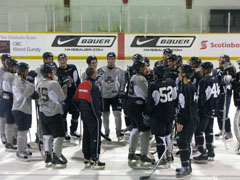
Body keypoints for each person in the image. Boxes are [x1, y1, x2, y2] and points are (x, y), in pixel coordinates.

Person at [37, 63, 68, 167]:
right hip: (54, 113)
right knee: (59, 136)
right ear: (49, 73)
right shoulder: (54, 83)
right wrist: (64, 86)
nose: (54, 72)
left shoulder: (40, 83)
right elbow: (62, 97)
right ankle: (56, 156)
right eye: (52, 71)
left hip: (43, 112)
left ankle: (47, 155)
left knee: (47, 135)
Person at [73, 66, 105, 167]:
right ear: (94, 74)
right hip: (93, 115)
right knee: (95, 136)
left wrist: (80, 109)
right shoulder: (93, 87)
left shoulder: (82, 84)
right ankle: (95, 157)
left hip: (84, 114)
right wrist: (98, 116)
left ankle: (86, 156)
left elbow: (74, 99)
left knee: (86, 135)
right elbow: (94, 103)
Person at [146, 64, 177, 165]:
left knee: (160, 136)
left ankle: (162, 157)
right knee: (168, 135)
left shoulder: (153, 85)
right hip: (170, 113)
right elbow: (175, 97)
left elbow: (152, 102)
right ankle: (169, 154)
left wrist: (147, 113)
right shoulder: (171, 82)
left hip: (158, 115)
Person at [127, 59, 154, 165]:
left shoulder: (133, 77)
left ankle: (131, 152)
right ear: (139, 69)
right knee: (145, 130)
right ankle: (143, 155)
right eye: (144, 68)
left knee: (135, 128)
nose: (146, 69)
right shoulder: (141, 79)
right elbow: (148, 93)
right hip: (138, 106)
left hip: (131, 105)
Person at [193, 62, 219, 163]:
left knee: (199, 131)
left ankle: (202, 153)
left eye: (202, 68)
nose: (200, 70)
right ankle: (210, 151)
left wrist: (198, 107)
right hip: (213, 108)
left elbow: (203, 96)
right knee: (209, 130)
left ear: (206, 70)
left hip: (205, 109)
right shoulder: (215, 79)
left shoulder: (204, 80)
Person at [176, 64, 199, 178]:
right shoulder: (189, 86)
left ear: (184, 74)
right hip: (192, 118)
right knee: (186, 142)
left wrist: (181, 122)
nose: (178, 74)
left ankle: (185, 167)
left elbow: (187, 108)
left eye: (180, 72)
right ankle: (187, 166)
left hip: (188, 119)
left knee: (182, 142)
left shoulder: (186, 88)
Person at [12, 62, 38, 160]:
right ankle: (20, 151)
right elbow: (25, 93)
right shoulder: (17, 81)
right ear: (22, 72)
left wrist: (33, 92)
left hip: (25, 109)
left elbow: (30, 91)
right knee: (22, 132)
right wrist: (31, 81)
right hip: (19, 109)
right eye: (26, 70)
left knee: (25, 130)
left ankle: (23, 148)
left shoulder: (24, 80)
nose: (28, 72)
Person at [97, 52, 125, 141]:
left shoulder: (120, 71)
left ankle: (119, 131)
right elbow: (97, 81)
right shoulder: (101, 70)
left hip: (115, 96)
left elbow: (123, 82)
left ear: (114, 60)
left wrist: (121, 92)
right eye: (109, 59)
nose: (111, 61)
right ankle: (106, 131)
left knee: (117, 114)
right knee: (105, 115)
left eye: (112, 59)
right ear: (107, 60)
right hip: (104, 96)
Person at [57, 53, 81, 140]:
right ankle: (65, 131)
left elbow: (77, 80)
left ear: (66, 60)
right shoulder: (57, 71)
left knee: (76, 113)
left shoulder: (73, 67)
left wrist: (79, 92)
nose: (62, 61)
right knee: (63, 114)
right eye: (61, 60)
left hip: (73, 95)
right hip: (63, 96)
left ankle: (73, 130)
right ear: (58, 61)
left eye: (64, 59)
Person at [214, 54, 235, 139]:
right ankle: (221, 129)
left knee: (224, 113)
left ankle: (228, 131)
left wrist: (225, 67)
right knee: (218, 112)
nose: (220, 62)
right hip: (218, 93)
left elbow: (232, 77)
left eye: (222, 61)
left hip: (226, 93)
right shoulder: (217, 70)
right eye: (219, 60)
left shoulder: (230, 68)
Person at [0, 59, 18, 151]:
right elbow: (14, 89)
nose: (16, 68)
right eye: (15, 67)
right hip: (8, 100)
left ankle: (10, 139)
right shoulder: (10, 76)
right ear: (10, 67)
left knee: (10, 121)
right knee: (10, 121)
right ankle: (9, 141)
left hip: (5, 99)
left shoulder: (6, 74)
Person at [0, 54, 11, 144]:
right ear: (3, 61)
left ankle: (11, 136)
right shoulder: (0, 72)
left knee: (10, 117)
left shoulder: (11, 71)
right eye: (7, 60)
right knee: (2, 117)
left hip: (10, 98)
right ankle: (3, 135)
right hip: (2, 97)